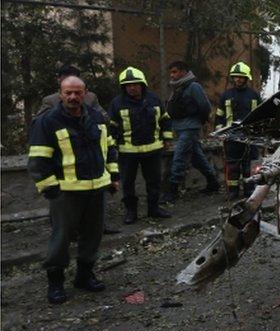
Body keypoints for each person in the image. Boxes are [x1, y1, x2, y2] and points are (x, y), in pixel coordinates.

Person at [28, 76, 119, 304]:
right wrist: (50, 188)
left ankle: (84, 275)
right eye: (68, 92)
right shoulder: (48, 121)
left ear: (85, 93)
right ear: (60, 94)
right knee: (61, 237)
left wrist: (113, 176)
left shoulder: (96, 117)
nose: (73, 97)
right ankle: (56, 283)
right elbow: (38, 159)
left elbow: (109, 148)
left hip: (96, 188)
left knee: (93, 235)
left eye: (77, 92)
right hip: (65, 192)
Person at [35, 64, 119, 235]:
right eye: (64, 77)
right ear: (59, 81)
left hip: (91, 148)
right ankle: (64, 232)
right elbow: (39, 122)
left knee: (97, 193)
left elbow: (102, 116)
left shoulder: (90, 97)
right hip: (65, 152)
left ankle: (100, 227)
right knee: (61, 199)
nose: (73, 96)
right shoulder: (50, 100)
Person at [108, 67, 173, 224]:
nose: (132, 87)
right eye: (128, 85)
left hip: (153, 150)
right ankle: (131, 212)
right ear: (124, 87)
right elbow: (111, 127)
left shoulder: (154, 99)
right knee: (128, 183)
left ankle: (154, 209)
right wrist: (112, 147)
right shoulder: (117, 103)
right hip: (127, 152)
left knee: (154, 181)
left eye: (135, 84)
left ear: (142, 84)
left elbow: (165, 119)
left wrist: (167, 138)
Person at [160, 61, 220, 203]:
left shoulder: (193, 86)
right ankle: (213, 182)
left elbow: (205, 106)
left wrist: (202, 122)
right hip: (180, 127)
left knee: (179, 156)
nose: (172, 75)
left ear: (183, 71)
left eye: (174, 72)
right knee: (196, 157)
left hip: (190, 127)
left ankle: (172, 190)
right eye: (171, 72)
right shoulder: (177, 87)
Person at [215, 62, 262, 199]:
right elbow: (219, 117)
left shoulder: (254, 96)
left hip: (250, 137)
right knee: (232, 166)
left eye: (241, 77)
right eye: (235, 77)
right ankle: (232, 192)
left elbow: (261, 116)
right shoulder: (226, 96)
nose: (238, 79)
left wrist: (259, 135)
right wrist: (221, 133)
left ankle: (249, 191)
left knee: (250, 166)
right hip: (231, 137)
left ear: (246, 78)